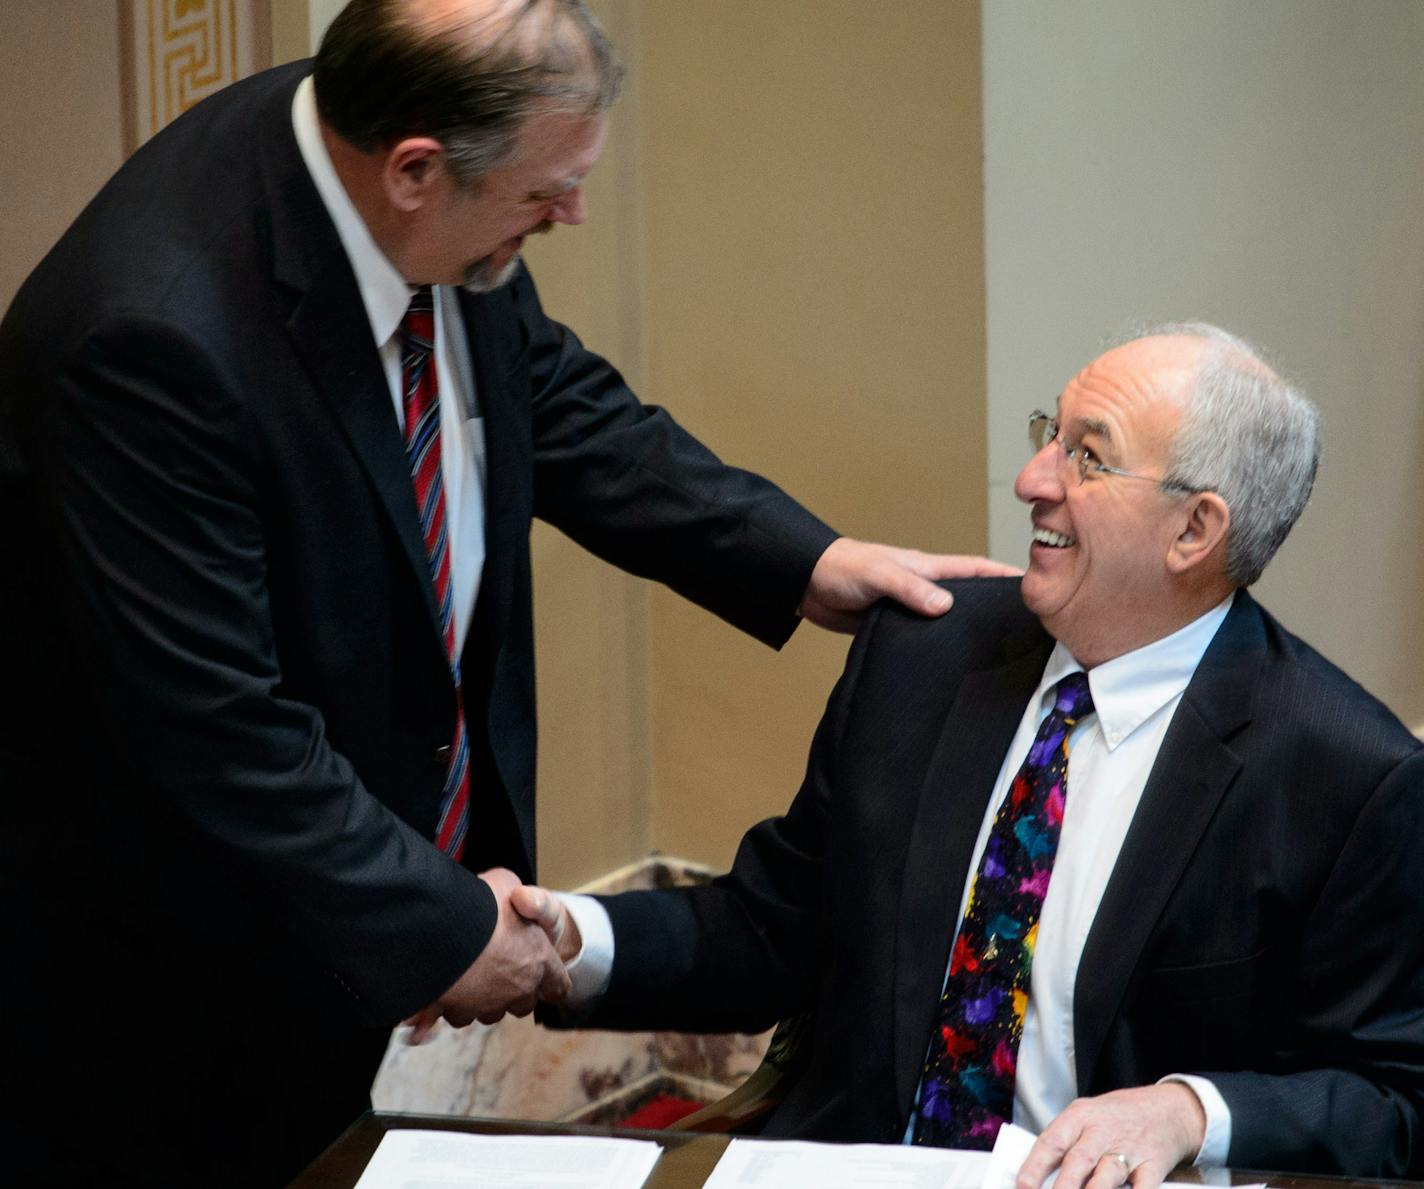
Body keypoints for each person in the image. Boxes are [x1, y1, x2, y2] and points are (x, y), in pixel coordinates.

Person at [0, 1, 1011, 1184]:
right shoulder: (152, 341)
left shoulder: (381, 153)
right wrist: (446, 925)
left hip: (312, 917)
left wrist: (801, 559)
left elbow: (550, 397)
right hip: (156, 954)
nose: (573, 214)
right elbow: (221, 736)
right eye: (545, 194)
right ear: (416, 171)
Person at [518, 324, 1424, 1184]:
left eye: (1088, 455)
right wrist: (567, 935)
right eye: (1049, 434)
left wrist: (1188, 1110)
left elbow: (1392, 1100)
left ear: (1194, 531)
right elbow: (771, 931)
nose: (1033, 478)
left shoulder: (1345, 774)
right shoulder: (923, 655)